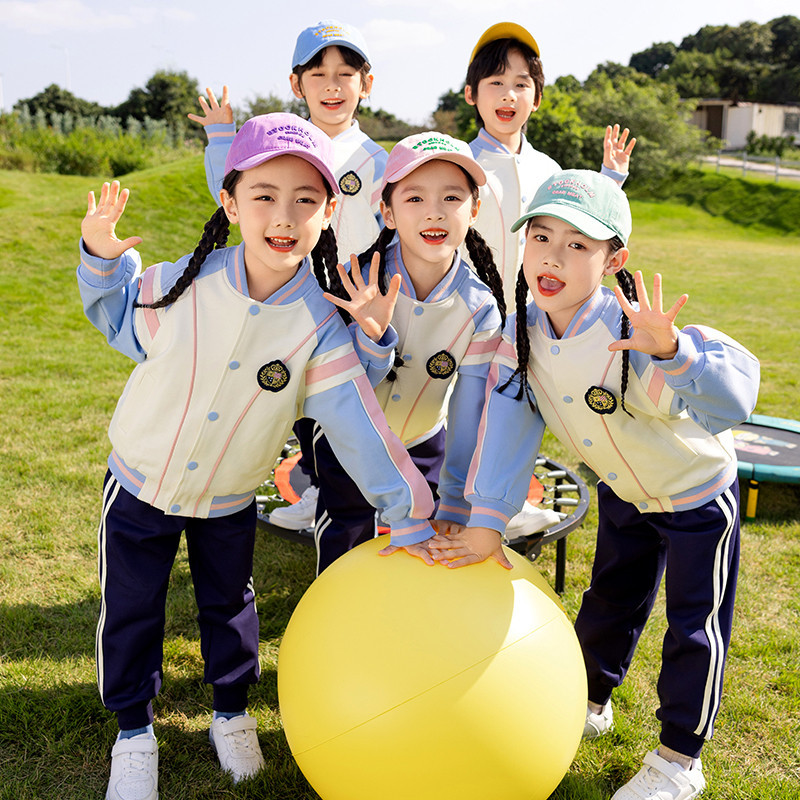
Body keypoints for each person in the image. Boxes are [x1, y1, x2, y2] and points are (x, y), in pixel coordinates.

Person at [78, 113, 435, 800]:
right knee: (130, 606)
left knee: (231, 609)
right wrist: (100, 257)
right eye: (265, 195)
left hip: (230, 499)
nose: (285, 214)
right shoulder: (177, 284)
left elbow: (360, 429)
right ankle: (133, 731)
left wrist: (411, 513)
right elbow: (116, 319)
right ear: (230, 202)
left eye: (306, 199)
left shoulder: (321, 329)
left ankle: (232, 713)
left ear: (330, 212)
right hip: (138, 485)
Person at [429, 170, 760, 800]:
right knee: (610, 598)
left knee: (695, 626)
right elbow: (507, 427)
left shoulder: (634, 332)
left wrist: (674, 355)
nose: (552, 257)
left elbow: (734, 393)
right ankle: (588, 698)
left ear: (615, 260)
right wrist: (487, 524)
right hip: (625, 493)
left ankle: (679, 760)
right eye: (542, 237)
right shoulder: (520, 332)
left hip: (693, 495)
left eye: (579, 245)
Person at [189, 19, 388, 531]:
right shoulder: (279, 146)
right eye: (317, 73)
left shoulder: (380, 161)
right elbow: (233, 189)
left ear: (366, 84)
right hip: (288, 300)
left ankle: (347, 497)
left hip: (350, 307)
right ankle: (314, 484)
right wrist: (219, 138)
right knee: (290, 403)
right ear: (296, 84)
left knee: (341, 406)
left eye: (346, 74)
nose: (331, 86)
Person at [464, 21, 636, 538]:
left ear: (537, 97)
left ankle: (502, 509)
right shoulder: (461, 162)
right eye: (495, 83)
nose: (508, 94)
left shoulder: (547, 167)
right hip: (466, 317)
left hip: (532, 318)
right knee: (462, 417)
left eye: (521, 83)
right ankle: (456, 511)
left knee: (520, 412)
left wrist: (610, 181)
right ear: (472, 94)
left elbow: (582, 220)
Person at [311, 131, 507, 573]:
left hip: (424, 440)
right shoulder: (355, 283)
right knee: (346, 537)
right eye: (414, 198)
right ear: (389, 212)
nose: (434, 212)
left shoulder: (480, 308)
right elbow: (337, 390)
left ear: (473, 210)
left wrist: (455, 500)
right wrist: (371, 338)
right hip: (348, 441)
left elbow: (470, 410)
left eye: (452, 197)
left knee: (427, 549)